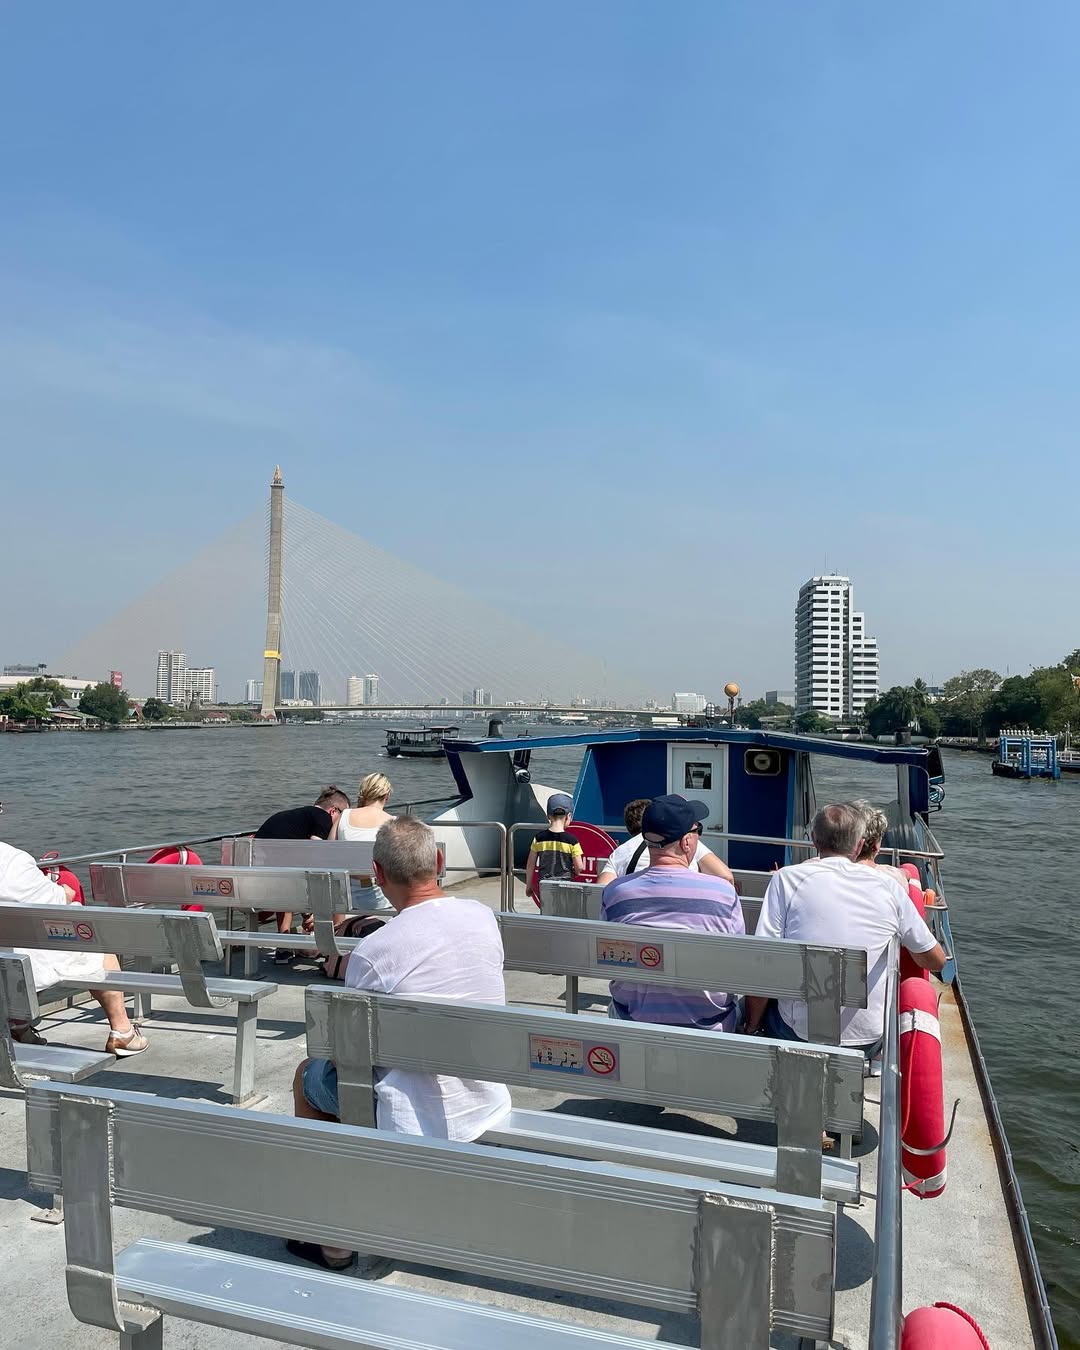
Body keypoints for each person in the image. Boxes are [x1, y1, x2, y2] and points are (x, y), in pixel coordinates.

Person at [290, 815, 511, 1270]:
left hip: (416, 1104)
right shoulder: (482, 916)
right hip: (484, 1092)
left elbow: (346, 1047)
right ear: (441, 862)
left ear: (378, 874)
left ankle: (334, 1241)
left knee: (308, 1077)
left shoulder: (375, 950)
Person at [744, 803, 946, 1052]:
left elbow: (764, 961)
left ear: (815, 840)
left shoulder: (786, 879)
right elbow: (936, 960)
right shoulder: (889, 887)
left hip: (799, 1035)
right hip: (868, 1042)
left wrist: (751, 1026)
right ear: (859, 845)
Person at [600, 795, 744, 1030]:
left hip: (633, 1019)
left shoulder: (615, 893)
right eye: (699, 830)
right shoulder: (723, 893)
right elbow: (737, 962)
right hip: (709, 1023)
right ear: (686, 842)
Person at [0, 840, 148, 1056]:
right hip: (20, 961)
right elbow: (57, 900)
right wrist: (65, 891)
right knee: (95, 942)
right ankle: (123, 1032)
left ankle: (19, 1028)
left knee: (22, 948)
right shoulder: (10, 860)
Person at [255, 786, 350, 962]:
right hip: (278, 883)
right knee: (333, 880)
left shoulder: (289, 816)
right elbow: (315, 857)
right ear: (333, 811)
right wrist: (312, 910)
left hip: (255, 882)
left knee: (287, 879)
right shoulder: (323, 818)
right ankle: (332, 944)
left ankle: (283, 946)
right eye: (342, 817)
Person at [597, 796, 736, 886]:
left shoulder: (621, 852)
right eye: (697, 828)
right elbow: (725, 877)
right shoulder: (689, 842)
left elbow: (601, 889)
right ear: (686, 842)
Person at [336, 772, 395, 912]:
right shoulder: (394, 822)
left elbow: (329, 855)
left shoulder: (344, 816)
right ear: (387, 796)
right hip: (384, 901)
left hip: (347, 899)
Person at [525, 793, 584, 900]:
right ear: (568, 816)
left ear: (548, 816)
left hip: (545, 886)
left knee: (547, 912)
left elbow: (530, 864)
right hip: (566, 887)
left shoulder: (539, 838)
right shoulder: (572, 841)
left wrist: (529, 885)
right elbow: (579, 866)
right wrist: (575, 871)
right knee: (564, 913)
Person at [851, 800, 911, 888]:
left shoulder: (834, 875)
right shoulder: (893, 877)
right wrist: (906, 874)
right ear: (875, 846)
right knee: (911, 869)